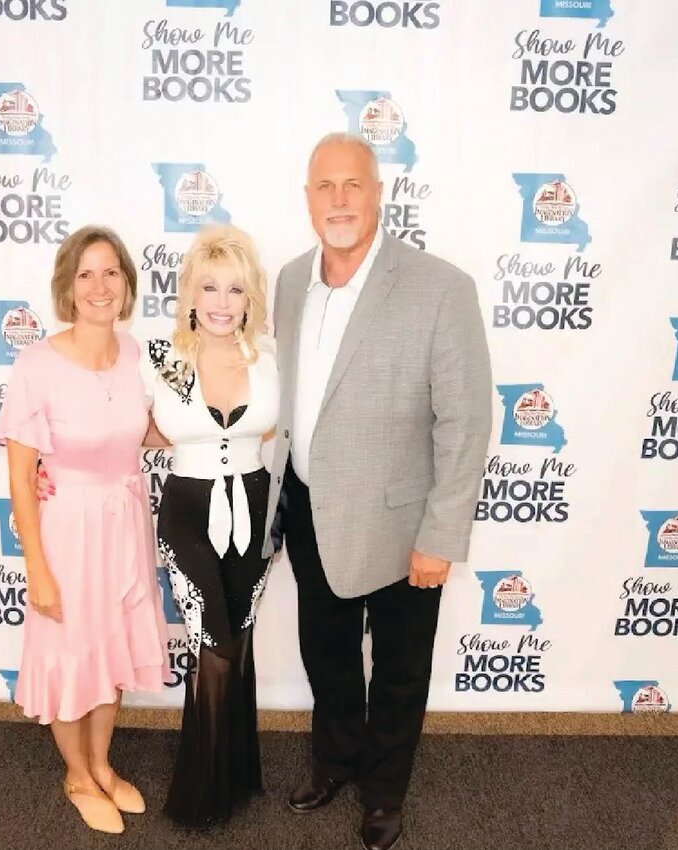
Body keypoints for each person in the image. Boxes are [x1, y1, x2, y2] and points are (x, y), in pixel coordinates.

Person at [262, 133, 492, 850]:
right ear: (306, 200)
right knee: (325, 653)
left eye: (352, 184)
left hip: (403, 524)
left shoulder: (440, 287)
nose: (338, 200)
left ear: (378, 193)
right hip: (308, 507)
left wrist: (441, 534)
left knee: (398, 668)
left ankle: (384, 793)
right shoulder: (290, 281)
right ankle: (335, 762)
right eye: (324, 186)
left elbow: (466, 419)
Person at [0, 225, 170, 835]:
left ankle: (101, 762)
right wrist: (36, 568)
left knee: (110, 652)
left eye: (111, 272)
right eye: (86, 274)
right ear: (68, 288)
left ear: (127, 284)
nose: (100, 286)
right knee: (71, 656)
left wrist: (217, 417)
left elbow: (149, 432)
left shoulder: (137, 353)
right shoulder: (37, 364)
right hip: (67, 533)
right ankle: (76, 774)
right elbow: (21, 477)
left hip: (124, 526)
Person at [148, 224, 279, 827]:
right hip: (190, 514)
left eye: (235, 290)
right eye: (210, 288)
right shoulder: (170, 360)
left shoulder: (267, 359)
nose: (223, 303)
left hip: (253, 508)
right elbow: (137, 429)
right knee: (214, 646)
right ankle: (202, 790)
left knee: (240, 643)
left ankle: (237, 773)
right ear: (191, 296)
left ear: (250, 298)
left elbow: (271, 431)